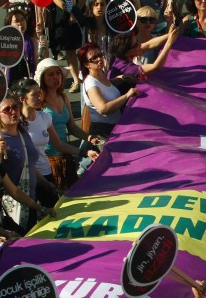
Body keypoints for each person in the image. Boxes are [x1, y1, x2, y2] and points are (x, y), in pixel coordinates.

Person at [15, 79, 98, 207]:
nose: (39, 97)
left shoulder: (44, 117)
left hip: (46, 172)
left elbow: (58, 144)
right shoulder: (16, 124)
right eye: (34, 94)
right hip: (27, 176)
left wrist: (85, 152)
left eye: (39, 92)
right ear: (22, 99)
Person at [0, 97, 57, 231]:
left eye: (15, 107)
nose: (13, 111)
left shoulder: (22, 132)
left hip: (31, 199)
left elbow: (28, 164)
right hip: (13, 205)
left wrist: (46, 184)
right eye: (7, 110)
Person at [36, 59, 99, 191]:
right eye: (51, 74)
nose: (56, 77)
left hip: (66, 156)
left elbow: (72, 127)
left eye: (58, 73)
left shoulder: (64, 97)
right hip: (49, 160)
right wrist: (84, 152)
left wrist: (89, 138)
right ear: (42, 78)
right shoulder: (38, 103)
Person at [78, 42, 139, 137]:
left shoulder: (101, 74)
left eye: (99, 55)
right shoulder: (91, 84)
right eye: (94, 58)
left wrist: (118, 78)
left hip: (114, 127)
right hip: (103, 132)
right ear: (87, 64)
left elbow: (105, 88)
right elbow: (103, 108)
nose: (99, 59)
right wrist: (127, 96)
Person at [109, 24, 180, 80]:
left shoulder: (122, 54)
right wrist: (169, 43)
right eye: (136, 44)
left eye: (137, 42)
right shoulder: (128, 69)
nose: (140, 44)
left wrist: (169, 35)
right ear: (127, 53)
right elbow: (156, 66)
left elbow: (149, 44)